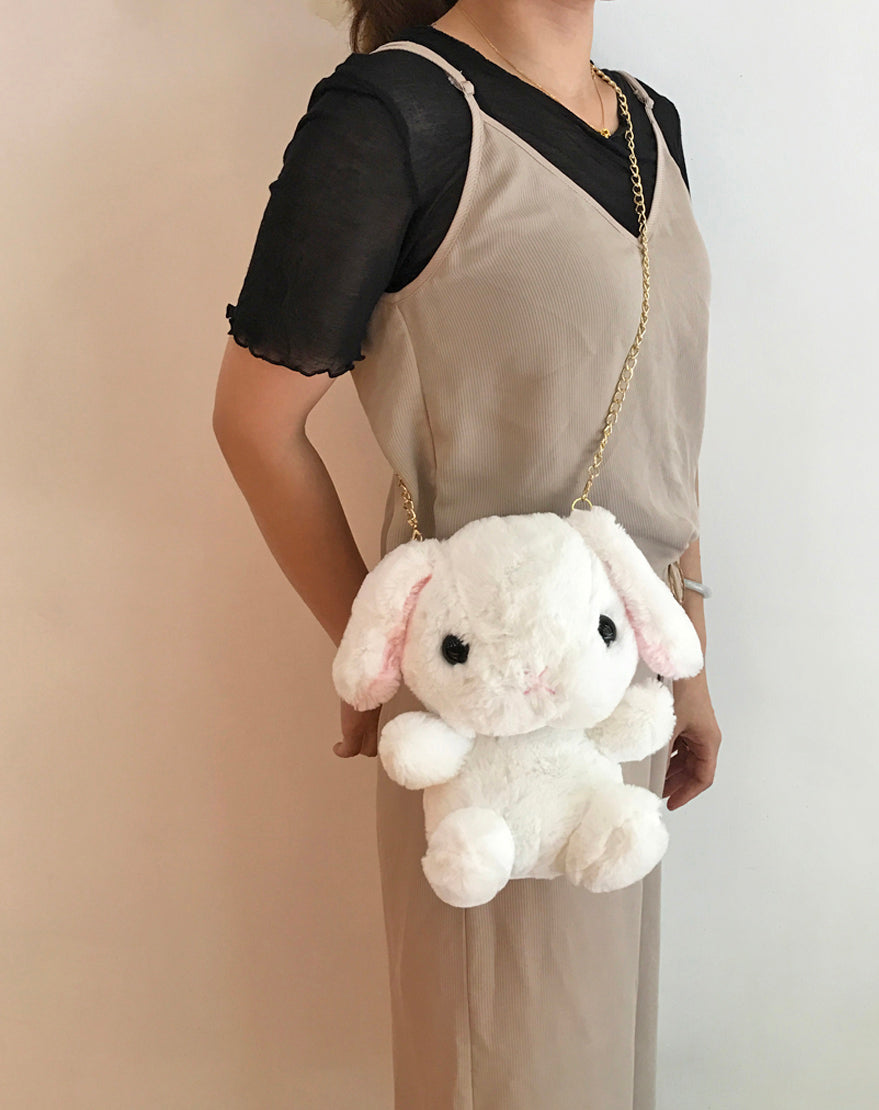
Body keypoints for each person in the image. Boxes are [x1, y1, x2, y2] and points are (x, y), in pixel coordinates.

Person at [213, 1, 723, 1106]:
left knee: (597, 1058)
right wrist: (391, 652)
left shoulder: (649, 124)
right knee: (509, 1063)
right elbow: (255, 425)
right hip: (487, 716)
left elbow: (660, 421)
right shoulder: (395, 116)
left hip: (623, 685)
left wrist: (689, 659)